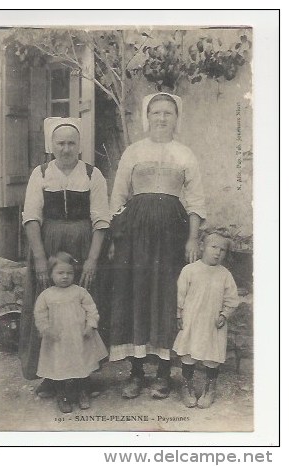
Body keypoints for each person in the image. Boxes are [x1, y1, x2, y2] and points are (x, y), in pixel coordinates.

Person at [109, 92, 206, 399]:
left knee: (166, 296)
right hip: (135, 236)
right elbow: (117, 198)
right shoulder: (133, 152)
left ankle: (163, 374)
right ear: (146, 117)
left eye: (168, 113)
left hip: (172, 236)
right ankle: (136, 372)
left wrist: (192, 237)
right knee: (136, 295)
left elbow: (196, 201)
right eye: (156, 113)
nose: (162, 118)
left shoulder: (185, 154)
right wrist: (117, 236)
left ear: (177, 118)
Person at [19, 117, 110, 397]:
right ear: (51, 145)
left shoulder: (93, 175)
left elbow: (102, 220)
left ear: (79, 146)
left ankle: (84, 376)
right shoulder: (42, 173)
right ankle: (51, 376)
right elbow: (32, 218)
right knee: (50, 310)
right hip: (50, 248)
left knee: (81, 311)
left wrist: (93, 259)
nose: (66, 148)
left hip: (84, 248)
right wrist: (39, 260)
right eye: (60, 143)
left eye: (72, 143)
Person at [173, 227, 239, 408]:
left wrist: (224, 314)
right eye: (213, 247)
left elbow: (232, 299)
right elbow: (180, 295)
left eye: (222, 249)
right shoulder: (190, 270)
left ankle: (210, 388)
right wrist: (179, 315)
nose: (218, 253)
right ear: (202, 246)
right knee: (188, 353)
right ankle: (187, 386)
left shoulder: (225, 274)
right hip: (192, 320)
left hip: (212, 322)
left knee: (212, 356)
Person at [34, 252, 108, 413]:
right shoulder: (46, 295)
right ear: (51, 274)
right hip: (57, 340)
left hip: (79, 337)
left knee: (81, 365)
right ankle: (62, 395)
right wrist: (46, 329)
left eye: (69, 273)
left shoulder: (80, 292)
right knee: (59, 367)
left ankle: (82, 392)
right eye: (60, 273)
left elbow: (91, 310)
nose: (65, 277)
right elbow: (39, 315)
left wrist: (91, 325)